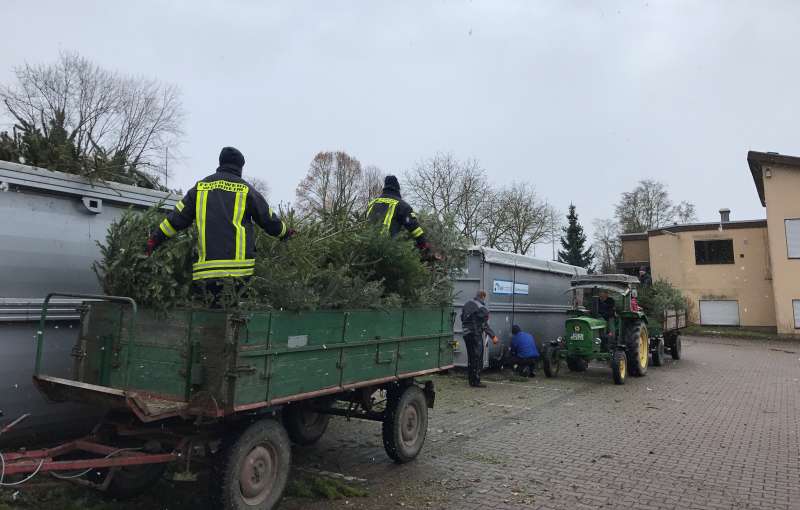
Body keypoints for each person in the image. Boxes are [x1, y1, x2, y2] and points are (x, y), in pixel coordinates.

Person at [146, 146, 294, 306]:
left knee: (210, 316)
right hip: (239, 273)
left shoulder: (200, 188)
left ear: (220, 162)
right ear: (240, 167)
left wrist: (154, 240)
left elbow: (175, 219)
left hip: (206, 273)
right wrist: (286, 233)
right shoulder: (246, 190)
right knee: (232, 320)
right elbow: (268, 219)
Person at [367, 175, 430, 252]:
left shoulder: (372, 203)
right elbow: (414, 227)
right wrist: (423, 244)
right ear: (397, 187)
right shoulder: (402, 205)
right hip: (389, 250)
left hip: (367, 247)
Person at [461, 290, 497, 388]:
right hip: (475, 335)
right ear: (483, 297)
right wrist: (493, 336)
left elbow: (462, 318)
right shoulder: (481, 308)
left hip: (466, 334)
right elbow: (484, 324)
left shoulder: (467, 304)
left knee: (471, 357)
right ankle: (476, 381)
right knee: (477, 358)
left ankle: (471, 380)